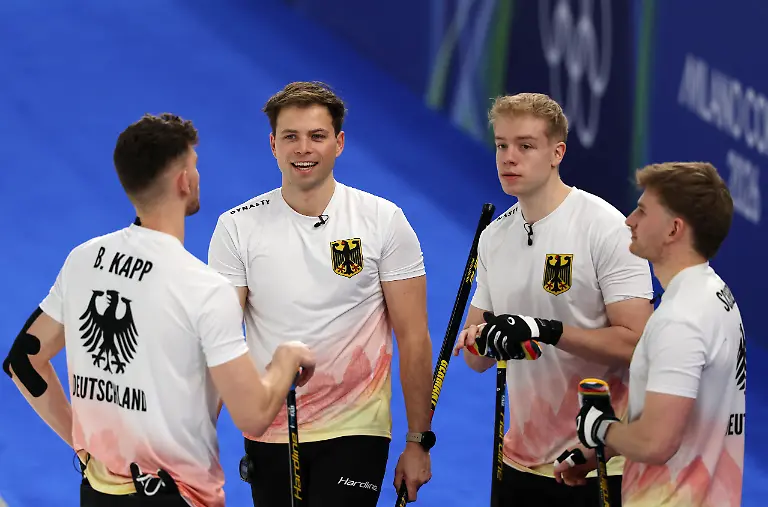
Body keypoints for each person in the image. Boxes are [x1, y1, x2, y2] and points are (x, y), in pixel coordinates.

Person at [2, 113, 316, 507]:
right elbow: (252, 414)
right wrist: (287, 359)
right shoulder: (204, 288)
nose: (197, 175)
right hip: (176, 497)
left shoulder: (83, 260)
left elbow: (24, 361)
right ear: (183, 181)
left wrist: (83, 447)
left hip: (98, 493)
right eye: (194, 166)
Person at [207, 81, 434, 506]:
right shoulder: (236, 227)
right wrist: (194, 440)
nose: (303, 149)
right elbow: (219, 339)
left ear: (339, 143)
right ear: (273, 144)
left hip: (357, 427)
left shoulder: (383, 221)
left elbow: (414, 336)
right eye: (290, 136)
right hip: (271, 427)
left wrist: (418, 440)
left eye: (316, 136)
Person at [452, 92, 654, 506]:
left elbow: (638, 344)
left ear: (556, 153)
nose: (509, 158)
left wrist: (544, 330)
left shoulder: (606, 228)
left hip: (597, 462)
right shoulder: (495, 237)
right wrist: (484, 341)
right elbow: (475, 357)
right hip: (518, 460)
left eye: (525, 146)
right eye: (502, 145)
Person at [556, 161, 745, 507]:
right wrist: (602, 448)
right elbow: (678, 415)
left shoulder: (680, 320)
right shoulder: (716, 294)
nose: (630, 220)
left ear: (673, 230)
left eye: (643, 211)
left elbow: (656, 444)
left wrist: (599, 427)